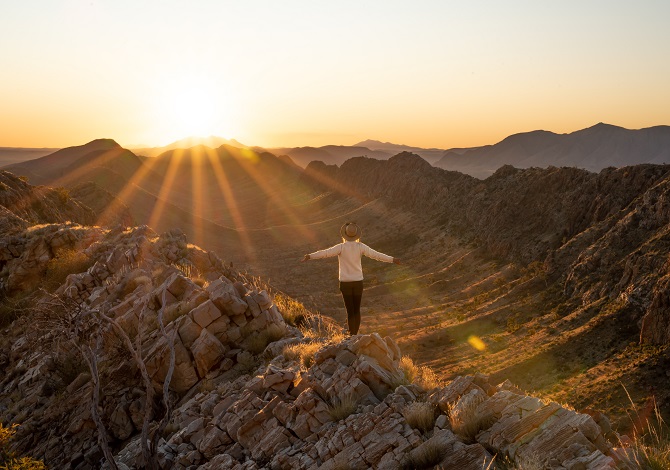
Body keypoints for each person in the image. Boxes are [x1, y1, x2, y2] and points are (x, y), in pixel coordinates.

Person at [302, 222, 401, 335]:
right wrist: (392, 259)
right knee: (356, 310)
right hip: (358, 283)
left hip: (345, 284)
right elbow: (377, 255)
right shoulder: (361, 247)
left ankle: (351, 334)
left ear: (344, 235)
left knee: (350, 310)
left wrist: (310, 256)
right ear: (356, 235)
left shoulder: (341, 247)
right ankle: (354, 333)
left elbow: (325, 253)